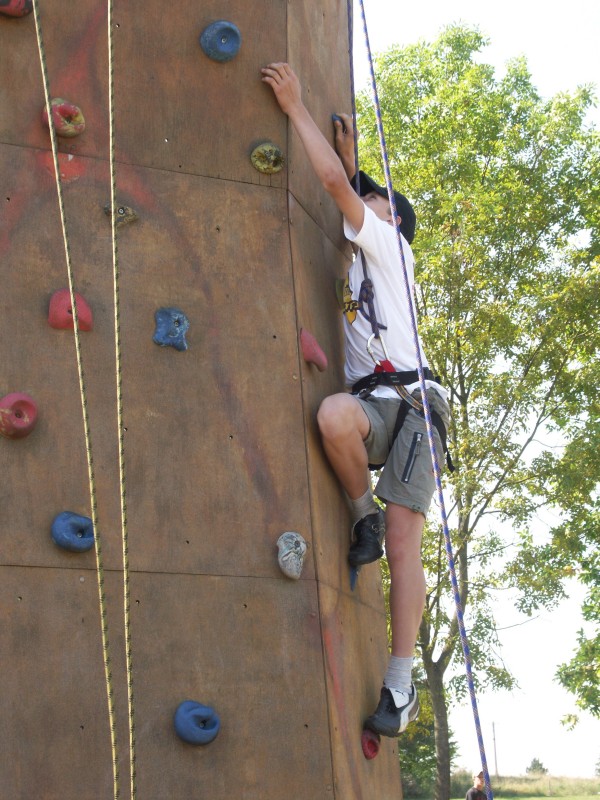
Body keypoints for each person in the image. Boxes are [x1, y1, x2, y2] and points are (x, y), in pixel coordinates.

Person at [261, 62, 450, 737]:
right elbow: (350, 190)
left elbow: (340, 190)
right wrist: (351, 158)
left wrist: (295, 107)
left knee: (405, 542)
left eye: (375, 201)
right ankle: (360, 514)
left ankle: (400, 683)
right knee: (333, 415)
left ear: (391, 220)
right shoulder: (360, 263)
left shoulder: (391, 245)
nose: (360, 206)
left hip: (417, 405)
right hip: (373, 404)